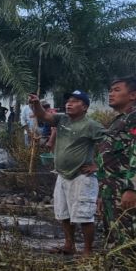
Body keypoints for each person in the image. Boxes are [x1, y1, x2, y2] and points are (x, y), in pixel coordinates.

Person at [30, 90, 105, 255]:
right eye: (68, 101)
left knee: (84, 216)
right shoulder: (61, 119)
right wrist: (36, 103)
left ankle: (87, 251)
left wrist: (98, 165)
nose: (69, 104)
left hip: (81, 177)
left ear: (84, 107)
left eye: (75, 101)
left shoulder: (91, 125)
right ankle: (69, 245)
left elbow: (110, 143)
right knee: (63, 213)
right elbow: (43, 115)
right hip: (63, 175)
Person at [96, 77, 136, 243]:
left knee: (128, 240)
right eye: (110, 90)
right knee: (112, 237)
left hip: (124, 190)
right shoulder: (119, 120)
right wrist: (102, 193)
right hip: (110, 190)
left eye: (117, 90)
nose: (111, 94)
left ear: (133, 95)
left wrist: (132, 189)